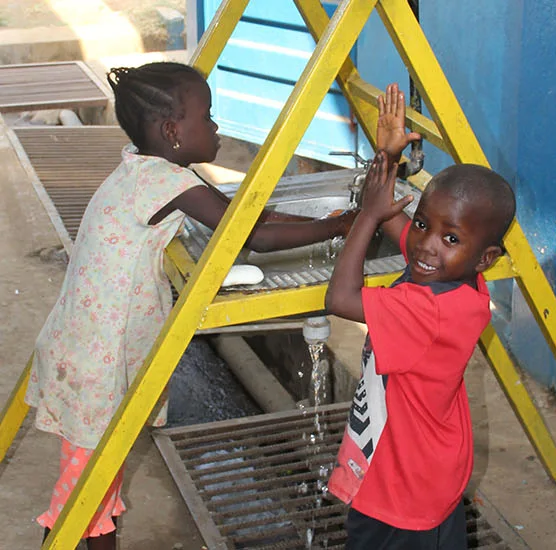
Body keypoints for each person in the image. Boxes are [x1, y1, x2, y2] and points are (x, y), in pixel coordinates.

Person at [24, 61, 359, 549]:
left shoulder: (144, 171)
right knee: (83, 497)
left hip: (86, 353)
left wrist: (329, 217)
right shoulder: (166, 184)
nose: (217, 127)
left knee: (95, 488)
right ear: (172, 131)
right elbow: (257, 236)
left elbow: (246, 219)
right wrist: (341, 226)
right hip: (94, 367)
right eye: (208, 116)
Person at [323, 84, 516, 550]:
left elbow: (340, 297)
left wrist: (366, 218)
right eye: (426, 223)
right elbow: (399, 224)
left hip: (406, 484)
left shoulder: (428, 309)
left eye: (450, 239)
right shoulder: (459, 281)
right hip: (415, 466)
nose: (426, 244)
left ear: (486, 257)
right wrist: (385, 158)